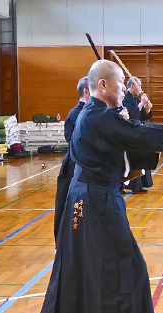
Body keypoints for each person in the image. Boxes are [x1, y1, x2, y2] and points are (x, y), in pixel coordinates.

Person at [32, 59, 163, 313]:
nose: (125, 89)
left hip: (82, 196)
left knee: (74, 262)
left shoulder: (95, 114)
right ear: (102, 85)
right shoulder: (97, 116)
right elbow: (138, 132)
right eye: (120, 83)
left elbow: (125, 138)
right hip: (97, 199)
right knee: (126, 262)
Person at [54, 76, 88, 244]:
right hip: (75, 165)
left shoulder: (89, 112)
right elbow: (74, 139)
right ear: (87, 92)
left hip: (84, 165)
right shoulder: (76, 114)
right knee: (72, 205)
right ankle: (65, 243)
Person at [122, 76, 154, 193]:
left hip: (140, 130)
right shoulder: (125, 99)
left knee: (141, 158)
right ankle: (134, 186)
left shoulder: (135, 99)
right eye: (139, 85)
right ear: (132, 86)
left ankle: (140, 185)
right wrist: (141, 103)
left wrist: (147, 108)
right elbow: (132, 114)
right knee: (134, 159)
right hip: (130, 132)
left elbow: (144, 116)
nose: (140, 88)